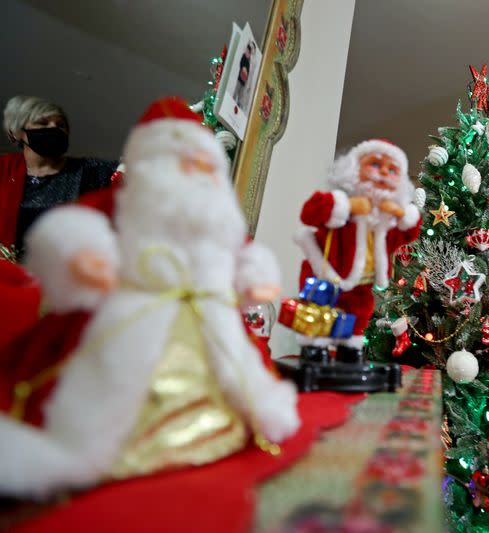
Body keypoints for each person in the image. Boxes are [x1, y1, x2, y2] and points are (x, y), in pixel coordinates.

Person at [0, 96, 298, 498]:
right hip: (134, 317)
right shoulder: (122, 204)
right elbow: (77, 230)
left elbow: (238, 248)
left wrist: (253, 277)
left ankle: (222, 420)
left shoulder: (212, 215)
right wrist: (83, 260)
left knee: (234, 369)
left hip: (202, 322)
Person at [294, 139, 422, 364]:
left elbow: (409, 232)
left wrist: (402, 214)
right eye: (375, 165)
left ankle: (349, 346)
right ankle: (313, 346)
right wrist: (349, 206)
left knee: (358, 313)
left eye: (392, 170)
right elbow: (309, 213)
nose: (383, 172)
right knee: (318, 310)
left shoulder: (387, 222)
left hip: (361, 284)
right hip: (326, 274)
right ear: (354, 170)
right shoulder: (340, 205)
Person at [0, 96, 119, 258]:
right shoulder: (5, 169)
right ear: (19, 133)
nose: (54, 129)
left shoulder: (88, 171)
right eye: (43, 123)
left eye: (61, 125)